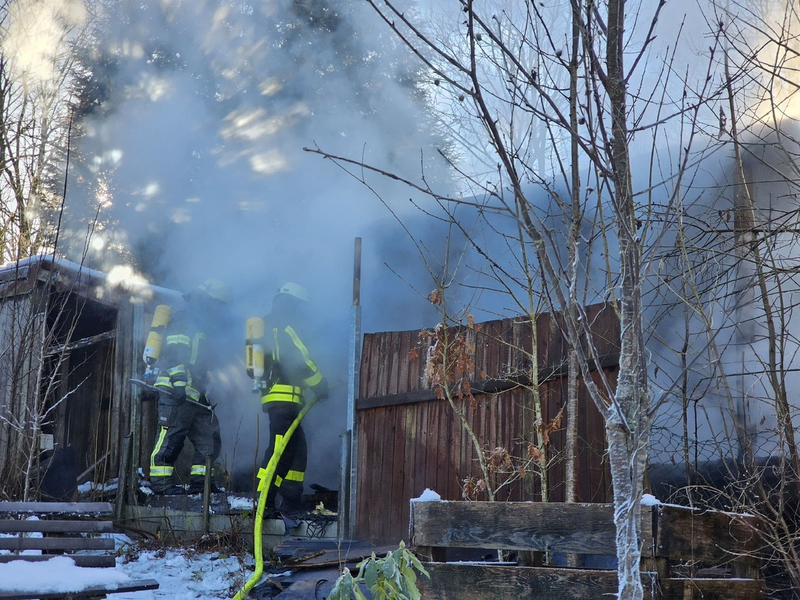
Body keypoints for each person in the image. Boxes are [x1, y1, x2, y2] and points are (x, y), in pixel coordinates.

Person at [148, 278, 231, 495]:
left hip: (195, 395)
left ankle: (201, 484)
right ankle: (161, 485)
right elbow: (174, 354)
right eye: (216, 305)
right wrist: (178, 384)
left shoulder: (203, 327)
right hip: (175, 391)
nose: (217, 310)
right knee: (170, 438)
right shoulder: (185, 320)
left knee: (210, 437)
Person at [257, 282, 328, 513]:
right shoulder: (286, 325)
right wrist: (320, 384)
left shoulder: (269, 325)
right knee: (280, 451)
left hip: (281, 400)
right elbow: (301, 359)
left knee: (297, 451)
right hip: (285, 400)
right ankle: (263, 500)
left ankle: (290, 499)